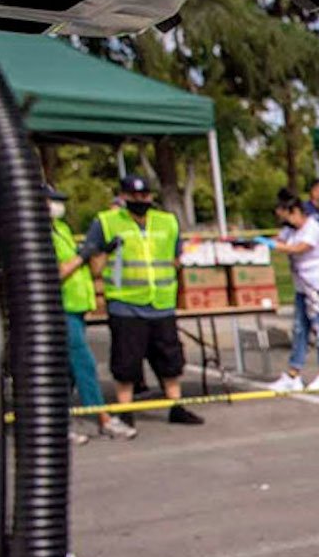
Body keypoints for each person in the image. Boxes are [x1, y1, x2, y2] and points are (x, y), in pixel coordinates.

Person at [81, 175, 205, 426]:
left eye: (145, 195)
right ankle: (125, 410)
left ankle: (175, 406)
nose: (141, 200)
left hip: (161, 302)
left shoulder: (167, 222)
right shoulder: (106, 222)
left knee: (170, 359)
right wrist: (107, 250)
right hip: (125, 303)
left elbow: (176, 258)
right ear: (123, 197)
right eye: (134, 196)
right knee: (126, 362)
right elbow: (93, 265)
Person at [50, 184, 134, 442]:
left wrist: (101, 252)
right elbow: (55, 273)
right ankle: (104, 420)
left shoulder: (61, 229)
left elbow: (90, 271)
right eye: (52, 201)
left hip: (76, 307)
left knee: (67, 372)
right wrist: (80, 257)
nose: (57, 206)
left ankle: (58, 424)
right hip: (59, 307)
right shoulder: (38, 235)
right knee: (84, 365)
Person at [267, 192, 319, 392]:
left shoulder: (312, 228)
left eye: (286, 216)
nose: (285, 222)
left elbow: (299, 248)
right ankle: (293, 373)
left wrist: (277, 246)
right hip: (303, 287)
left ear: (295, 211)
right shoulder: (290, 230)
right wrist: (262, 242)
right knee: (300, 330)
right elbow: (280, 238)